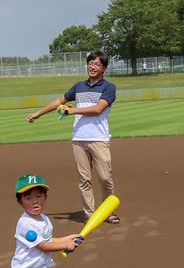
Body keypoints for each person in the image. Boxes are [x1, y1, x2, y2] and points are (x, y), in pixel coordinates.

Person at [27, 51, 120, 224]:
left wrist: (72, 110)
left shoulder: (109, 88)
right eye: (90, 63)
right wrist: (39, 113)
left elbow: (98, 109)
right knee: (84, 180)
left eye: (97, 64)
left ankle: (108, 211)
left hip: (99, 138)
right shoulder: (79, 86)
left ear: (104, 68)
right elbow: (59, 101)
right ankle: (90, 215)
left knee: (105, 178)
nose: (92, 67)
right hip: (79, 139)